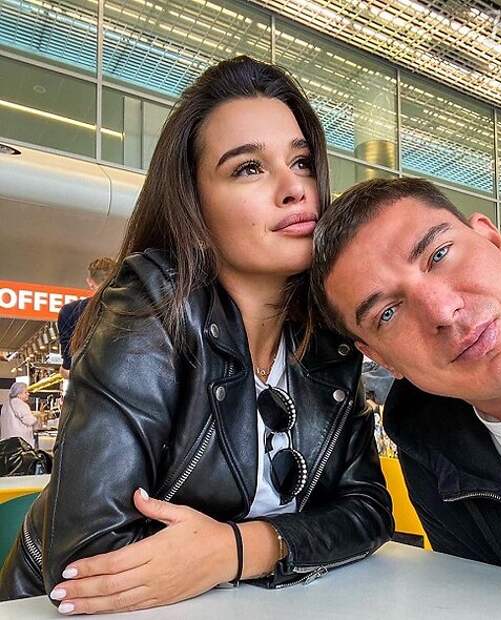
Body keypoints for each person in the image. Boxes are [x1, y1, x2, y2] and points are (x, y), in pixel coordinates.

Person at [0, 57, 393, 612]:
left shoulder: (326, 339)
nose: (294, 189)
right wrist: (274, 546)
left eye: (302, 162)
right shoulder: (152, 308)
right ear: (195, 205)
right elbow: (90, 556)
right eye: (249, 168)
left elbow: (368, 508)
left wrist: (237, 549)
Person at [311, 177, 501, 592]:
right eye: (387, 313)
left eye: (439, 255)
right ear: (381, 358)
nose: (442, 311)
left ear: (494, 241)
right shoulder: (434, 460)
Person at [57, 257, 116, 379]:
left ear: (90, 282)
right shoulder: (133, 311)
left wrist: (64, 370)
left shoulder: (69, 311)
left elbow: (68, 367)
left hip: (88, 386)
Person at [0, 382, 37, 447]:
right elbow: (29, 421)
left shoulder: (5, 404)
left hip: (6, 440)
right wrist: (36, 417)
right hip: (20, 441)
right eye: (25, 392)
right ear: (18, 394)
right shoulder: (21, 404)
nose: (28, 394)